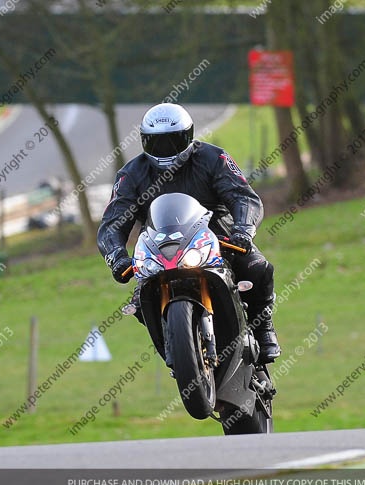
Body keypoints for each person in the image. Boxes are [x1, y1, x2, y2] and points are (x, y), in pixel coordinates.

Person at [97, 103, 281, 363]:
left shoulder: (213, 159)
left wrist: (243, 230)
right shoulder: (130, 175)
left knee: (257, 267)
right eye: (156, 143)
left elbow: (243, 196)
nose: (165, 150)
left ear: (189, 136)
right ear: (144, 141)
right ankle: (174, 343)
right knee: (140, 301)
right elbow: (112, 223)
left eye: (173, 141)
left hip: (219, 239)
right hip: (158, 250)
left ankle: (263, 328)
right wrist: (117, 256)